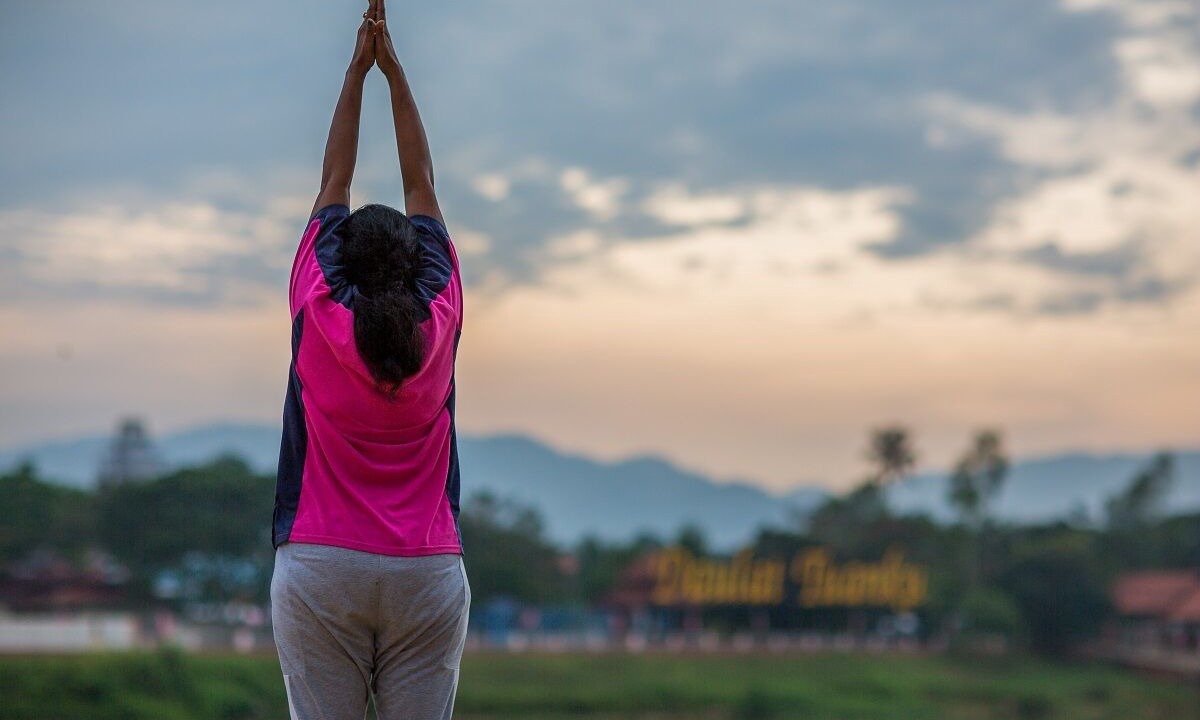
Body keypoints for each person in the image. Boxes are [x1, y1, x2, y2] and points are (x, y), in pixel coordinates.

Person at [269, 2, 469, 718]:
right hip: (428, 570)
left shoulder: (320, 309)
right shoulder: (439, 316)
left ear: (340, 259)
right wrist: (396, 75)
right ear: (418, 262)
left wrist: (356, 72)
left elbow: (333, 183)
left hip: (321, 565)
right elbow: (424, 185)